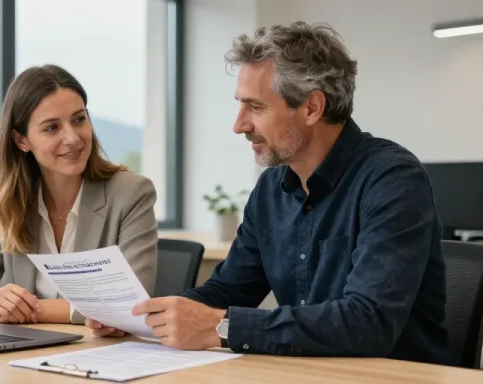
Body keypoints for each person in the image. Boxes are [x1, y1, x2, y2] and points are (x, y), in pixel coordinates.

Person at [97, 21, 453, 365]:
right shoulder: (271, 188)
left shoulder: (392, 180)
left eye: (256, 107)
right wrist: (143, 317)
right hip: (306, 373)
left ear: (312, 108)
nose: (239, 125)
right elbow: (228, 290)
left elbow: (369, 322)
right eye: (240, 104)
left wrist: (222, 327)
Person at [0, 64, 158, 325]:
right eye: (52, 127)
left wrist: (26, 310)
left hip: (97, 347)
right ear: (21, 141)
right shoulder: (10, 200)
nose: (72, 138)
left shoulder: (131, 193)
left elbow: (130, 304)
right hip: (25, 345)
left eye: (79, 119)